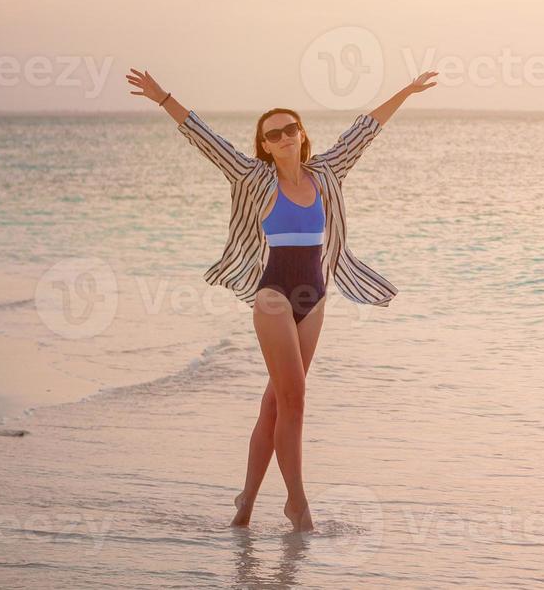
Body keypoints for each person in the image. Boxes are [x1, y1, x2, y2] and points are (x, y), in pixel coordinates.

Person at [125, 66, 437, 531]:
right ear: (265, 144)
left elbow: (365, 130)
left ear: (302, 134)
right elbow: (206, 139)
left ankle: (245, 503)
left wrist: (407, 92)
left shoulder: (327, 172)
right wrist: (161, 97)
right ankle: (297, 504)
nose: (285, 136)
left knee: (277, 404)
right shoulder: (252, 177)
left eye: (292, 128)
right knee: (295, 397)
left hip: (315, 296)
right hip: (272, 294)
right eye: (275, 133)